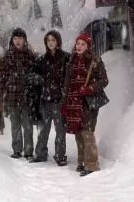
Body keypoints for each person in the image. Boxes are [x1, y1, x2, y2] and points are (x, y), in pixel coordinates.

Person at [61, 33, 108, 176]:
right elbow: (67, 84)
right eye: (78, 44)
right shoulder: (71, 62)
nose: (79, 46)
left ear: (88, 46)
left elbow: (104, 80)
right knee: (78, 133)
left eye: (83, 44)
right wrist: (64, 103)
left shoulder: (95, 61)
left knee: (87, 133)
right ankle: (82, 162)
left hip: (88, 102)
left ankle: (92, 165)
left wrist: (90, 89)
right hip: (74, 102)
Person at [30, 30, 70, 166]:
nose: (51, 43)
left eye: (53, 40)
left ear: (58, 41)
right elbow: (33, 76)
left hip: (59, 100)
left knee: (60, 130)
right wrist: (37, 79)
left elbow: (69, 78)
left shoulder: (66, 58)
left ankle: (60, 155)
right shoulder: (42, 60)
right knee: (43, 129)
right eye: (48, 40)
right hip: (45, 100)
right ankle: (40, 153)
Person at [0, 28, 37, 159]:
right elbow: (0, 78)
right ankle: (17, 150)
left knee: (28, 125)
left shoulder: (31, 56)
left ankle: (29, 151)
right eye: (15, 38)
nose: (18, 41)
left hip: (27, 97)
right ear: (12, 40)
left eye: (20, 38)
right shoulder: (6, 57)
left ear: (24, 40)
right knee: (15, 126)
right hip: (12, 97)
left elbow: (36, 76)